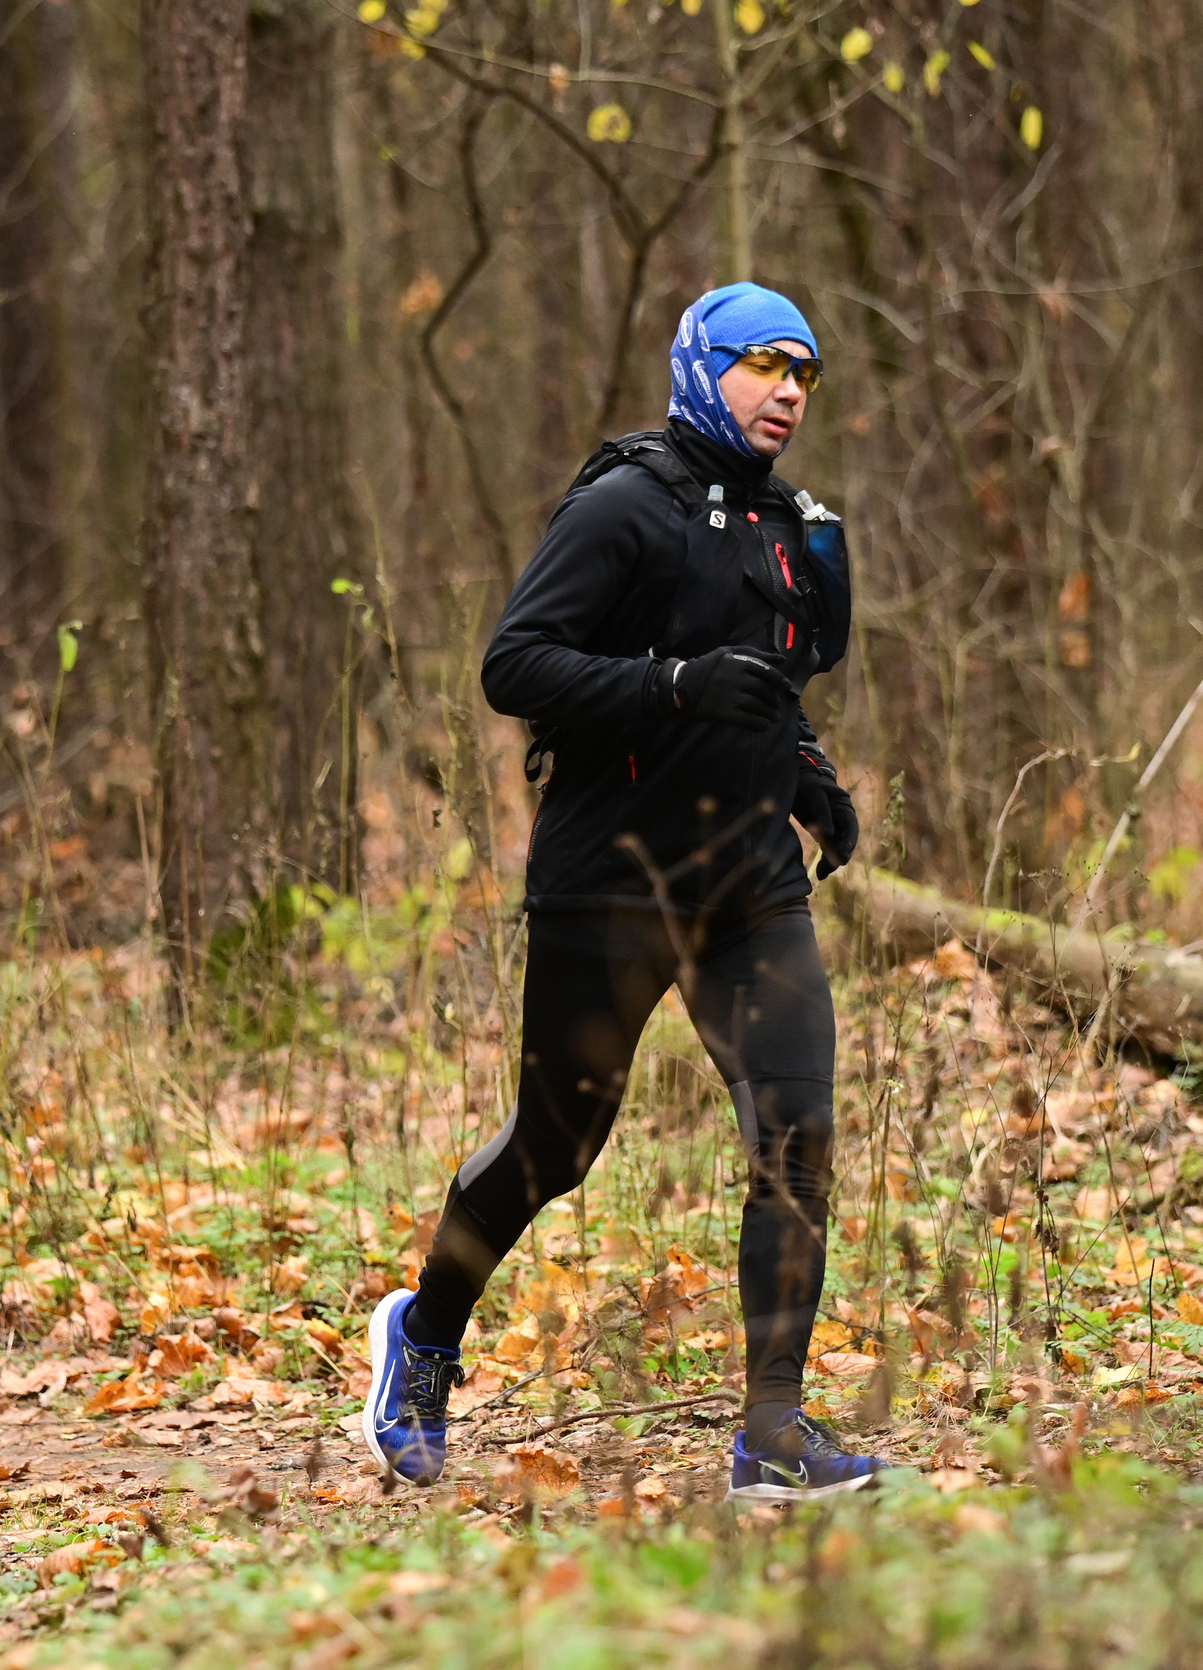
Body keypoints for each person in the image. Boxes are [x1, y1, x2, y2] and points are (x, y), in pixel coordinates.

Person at [362, 284, 878, 1499]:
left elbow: (772, 675)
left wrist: (810, 778)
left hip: (749, 885)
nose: (790, 391)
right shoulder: (622, 506)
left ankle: (771, 1433)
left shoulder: (793, 526)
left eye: (805, 371)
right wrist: (674, 684)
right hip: (612, 881)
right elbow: (514, 663)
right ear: (702, 368)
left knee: (796, 1136)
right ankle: (423, 1336)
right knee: (558, 1144)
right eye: (763, 365)